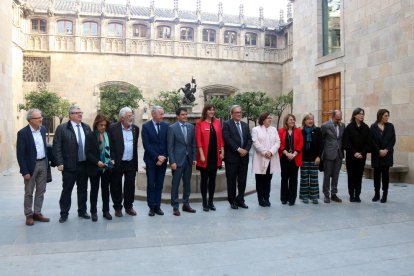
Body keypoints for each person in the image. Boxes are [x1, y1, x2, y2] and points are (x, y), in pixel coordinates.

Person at [53, 105, 92, 223]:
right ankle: (64, 213)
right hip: (69, 165)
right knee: (67, 190)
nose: (80, 114)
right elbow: (57, 146)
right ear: (70, 115)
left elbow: (91, 145)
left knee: (83, 189)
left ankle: (82, 211)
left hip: (84, 164)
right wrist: (59, 162)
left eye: (81, 112)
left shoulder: (86, 127)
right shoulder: (62, 128)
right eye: (77, 113)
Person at [16, 108, 50, 226]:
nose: (41, 119)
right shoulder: (23, 133)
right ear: (30, 120)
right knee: (29, 192)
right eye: (38, 118)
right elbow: (20, 154)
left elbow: (44, 147)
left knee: (41, 190)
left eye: (41, 116)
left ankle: (37, 213)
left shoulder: (43, 130)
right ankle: (29, 215)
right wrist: (24, 171)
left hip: (43, 163)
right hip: (31, 165)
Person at [108, 107, 139, 217]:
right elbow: (110, 146)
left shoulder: (135, 129)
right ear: (122, 118)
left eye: (132, 115)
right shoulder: (112, 128)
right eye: (129, 116)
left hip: (130, 162)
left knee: (130, 185)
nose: (131, 117)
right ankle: (117, 207)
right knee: (116, 185)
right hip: (117, 162)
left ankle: (129, 207)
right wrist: (111, 159)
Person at [167, 107, 197, 216]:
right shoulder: (172, 128)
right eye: (183, 115)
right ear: (178, 116)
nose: (185, 116)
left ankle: (186, 204)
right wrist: (172, 162)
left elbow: (193, 144)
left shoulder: (191, 127)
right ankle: (175, 206)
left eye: (186, 114)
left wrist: (194, 158)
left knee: (187, 184)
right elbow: (170, 147)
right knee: (175, 184)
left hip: (188, 160)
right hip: (177, 161)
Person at [222, 105, 252, 209]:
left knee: (242, 180)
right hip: (232, 157)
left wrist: (246, 150)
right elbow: (227, 139)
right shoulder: (226, 124)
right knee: (231, 180)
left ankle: (241, 200)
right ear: (232, 114)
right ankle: (232, 201)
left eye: (240, 112)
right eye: (236, 112)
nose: (239, 114)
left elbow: (249, 139)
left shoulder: (245, 125)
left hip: (244, 157)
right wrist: (239, 149)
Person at [195, 104, 224, 211]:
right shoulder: (199, 123)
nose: (212, 112)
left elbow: (221, 138)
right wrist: (201, 154)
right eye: (209, 110)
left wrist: (222, 152)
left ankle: (211, 202)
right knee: (204, 180)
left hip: (215, 155)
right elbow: (198, 141)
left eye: (213, 110)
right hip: (205, 156)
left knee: (213, 180)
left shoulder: (217, 122)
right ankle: (204, 202)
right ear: (205, 111)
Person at [141, 106, 169, 217]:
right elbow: (146, 145)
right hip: (151, 160)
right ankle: (151, 207)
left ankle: (158, 206)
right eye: (161, 114)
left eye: (163, 113)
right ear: (153, 114)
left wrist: (164, 157)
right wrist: (157, 157)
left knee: (159, 184)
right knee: (151, 184)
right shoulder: (146, 126)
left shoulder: (166, 126)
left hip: (163, 161)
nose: (163, 116)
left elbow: (168, 143)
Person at [85, 114, 112, 221]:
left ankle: (106, 211)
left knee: (106, 190)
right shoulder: (90, 135)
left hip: (106, 167)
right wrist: (97, 162)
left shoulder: (108, 135)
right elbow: (87, 153)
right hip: (95, 167)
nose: (103, 127)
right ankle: (93, 212)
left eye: (105, 125)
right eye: (101, 125)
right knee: (94, 190)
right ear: (96, 125)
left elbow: (112, 149)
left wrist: (112, 159)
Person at [251, 112, 280, 207]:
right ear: (263, 119)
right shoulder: (256, 129)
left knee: (268, 180)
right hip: (260, 158)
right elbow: (255, 142)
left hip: (271, 157)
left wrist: (271, 152)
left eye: (270, 118)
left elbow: (277, 142)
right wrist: (265, 152)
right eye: (268, 118)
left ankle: (266, 198)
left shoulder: (274, 129)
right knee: (260, 180)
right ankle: (260, 199)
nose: (270, 119)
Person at [343, 108, 371, 202]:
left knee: (359, 176)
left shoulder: (366, 128)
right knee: (351, 176)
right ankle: (351, 195)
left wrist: (362, 153)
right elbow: (346, 143)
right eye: (360, 114)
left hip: (361, 157)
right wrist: (354, 152)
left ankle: (357, 195)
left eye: (363, 114)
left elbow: (368, 143)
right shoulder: (349, 127)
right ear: (355, 115)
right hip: (351, 156)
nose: (362, 115)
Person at [370, 109, 396, 203]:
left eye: (388, 115)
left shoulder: (390, 126)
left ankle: (385, 195)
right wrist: (378, 151)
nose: (387, 117)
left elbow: (393, 140)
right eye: (385, 115)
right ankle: (376, 194)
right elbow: (371, 141)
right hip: (377, 155)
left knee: (385, 176)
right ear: (380, 116)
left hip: (387, 155)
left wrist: (386, 150)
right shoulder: (373, 127)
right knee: (376, 176)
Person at [278, 114, 303, 206]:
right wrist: (287, 153)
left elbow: (301, 143)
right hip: (284, 158)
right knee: (284, 179)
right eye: (291, 120)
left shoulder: (298, 131)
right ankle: (284, 198)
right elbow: (279, 143)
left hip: (295, 158)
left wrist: (294, 154)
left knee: (293, 179)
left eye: (293, 120)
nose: (293, 121)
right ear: (286, 121)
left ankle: (292, 199)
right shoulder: (281, 131)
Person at [321, 110, 345, 203]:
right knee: (327, 175)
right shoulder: (325, 125)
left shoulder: (342, 126)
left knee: (336, 175)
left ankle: (334, 194)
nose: (339, 120)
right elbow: (322, 140)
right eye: (338, 119)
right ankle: (326, 194)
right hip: (329, 154)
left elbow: (341, 139)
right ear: (333, 117)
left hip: (339, 154)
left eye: (340, 118)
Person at [299, 113, 322, 204]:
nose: (310, 121)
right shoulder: (301, 131)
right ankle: (304, 196)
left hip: (314, 158)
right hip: (303, 158)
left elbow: (321, 145)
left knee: (314, 178)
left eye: (312, 119)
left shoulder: (318, 130)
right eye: (308, 119)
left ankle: (314, 196)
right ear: (304, 121)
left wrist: (319, 156)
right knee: (304, 178)